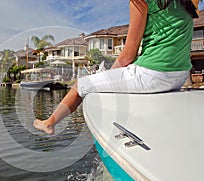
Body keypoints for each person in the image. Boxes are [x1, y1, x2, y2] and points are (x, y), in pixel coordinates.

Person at [34, 0, 199, 135]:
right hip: (179, 76)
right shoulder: (188, 1)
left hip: (153, 75)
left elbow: (128, 55)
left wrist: (109, 76)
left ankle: (50, 122)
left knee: (81, 85)